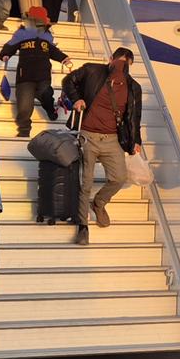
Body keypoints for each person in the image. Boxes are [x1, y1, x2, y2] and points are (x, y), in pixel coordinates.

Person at [63, 47, 144, 244]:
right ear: (110, 60)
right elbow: (68, 81)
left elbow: (134, 116)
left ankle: (99, 203)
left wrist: (136, 141)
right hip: (88, 135)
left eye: (126, 66)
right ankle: (82, 226)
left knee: (119, 178)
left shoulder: (133, 87)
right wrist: (77, 99)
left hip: (112, 139)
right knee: (86, 182)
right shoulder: (92, 71)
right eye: (119, 63)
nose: (121, 68)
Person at [0, 6, 69, 139]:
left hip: (43, 76)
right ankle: (24, 130)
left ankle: (48, 107)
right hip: (25, 77)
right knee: (24, 106)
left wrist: (63, 58)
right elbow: (10, 46)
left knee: (46, 93)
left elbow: (53, 51)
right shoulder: (21, 34)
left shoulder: (47, 36)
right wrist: (6, 54)